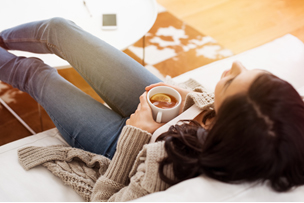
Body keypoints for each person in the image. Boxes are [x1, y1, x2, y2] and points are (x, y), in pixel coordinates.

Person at [1, 17, 304, 201]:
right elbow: (219, 107)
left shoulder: (165, 168)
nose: (235, 64)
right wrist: (192, 101)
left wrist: (137, 133)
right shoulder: (270, 126)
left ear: (218, 129)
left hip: (127, 145)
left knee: (35, 74)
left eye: (230, 81)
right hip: (168, 113)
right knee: (59, 29)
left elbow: (106, 199)